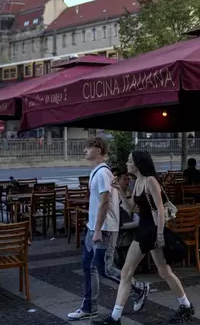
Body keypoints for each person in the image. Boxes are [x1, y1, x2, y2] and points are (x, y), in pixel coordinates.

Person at [95, 150, 194, 324]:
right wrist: (118, 190)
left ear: (138, 164)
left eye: (129, 161)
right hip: (145, 229)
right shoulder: (137, 182)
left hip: (151, 231)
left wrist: (161, 234)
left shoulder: (150, 181)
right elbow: (132, 208)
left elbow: (161, 210)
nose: (126, 163)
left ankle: (115, 317)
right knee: (164, 272)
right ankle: (185, 305)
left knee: (126, 272)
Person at [68, 138, 149, 321]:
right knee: (89, 267)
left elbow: (105, 202)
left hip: (103, 229)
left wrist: (97, 230)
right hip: (95, 228)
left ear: (98, 150)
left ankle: (139, 287)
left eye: (88, 148)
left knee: (105, 268)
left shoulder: (103, 173)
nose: (84, 151)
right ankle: (89, 307)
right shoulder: (98, 172)